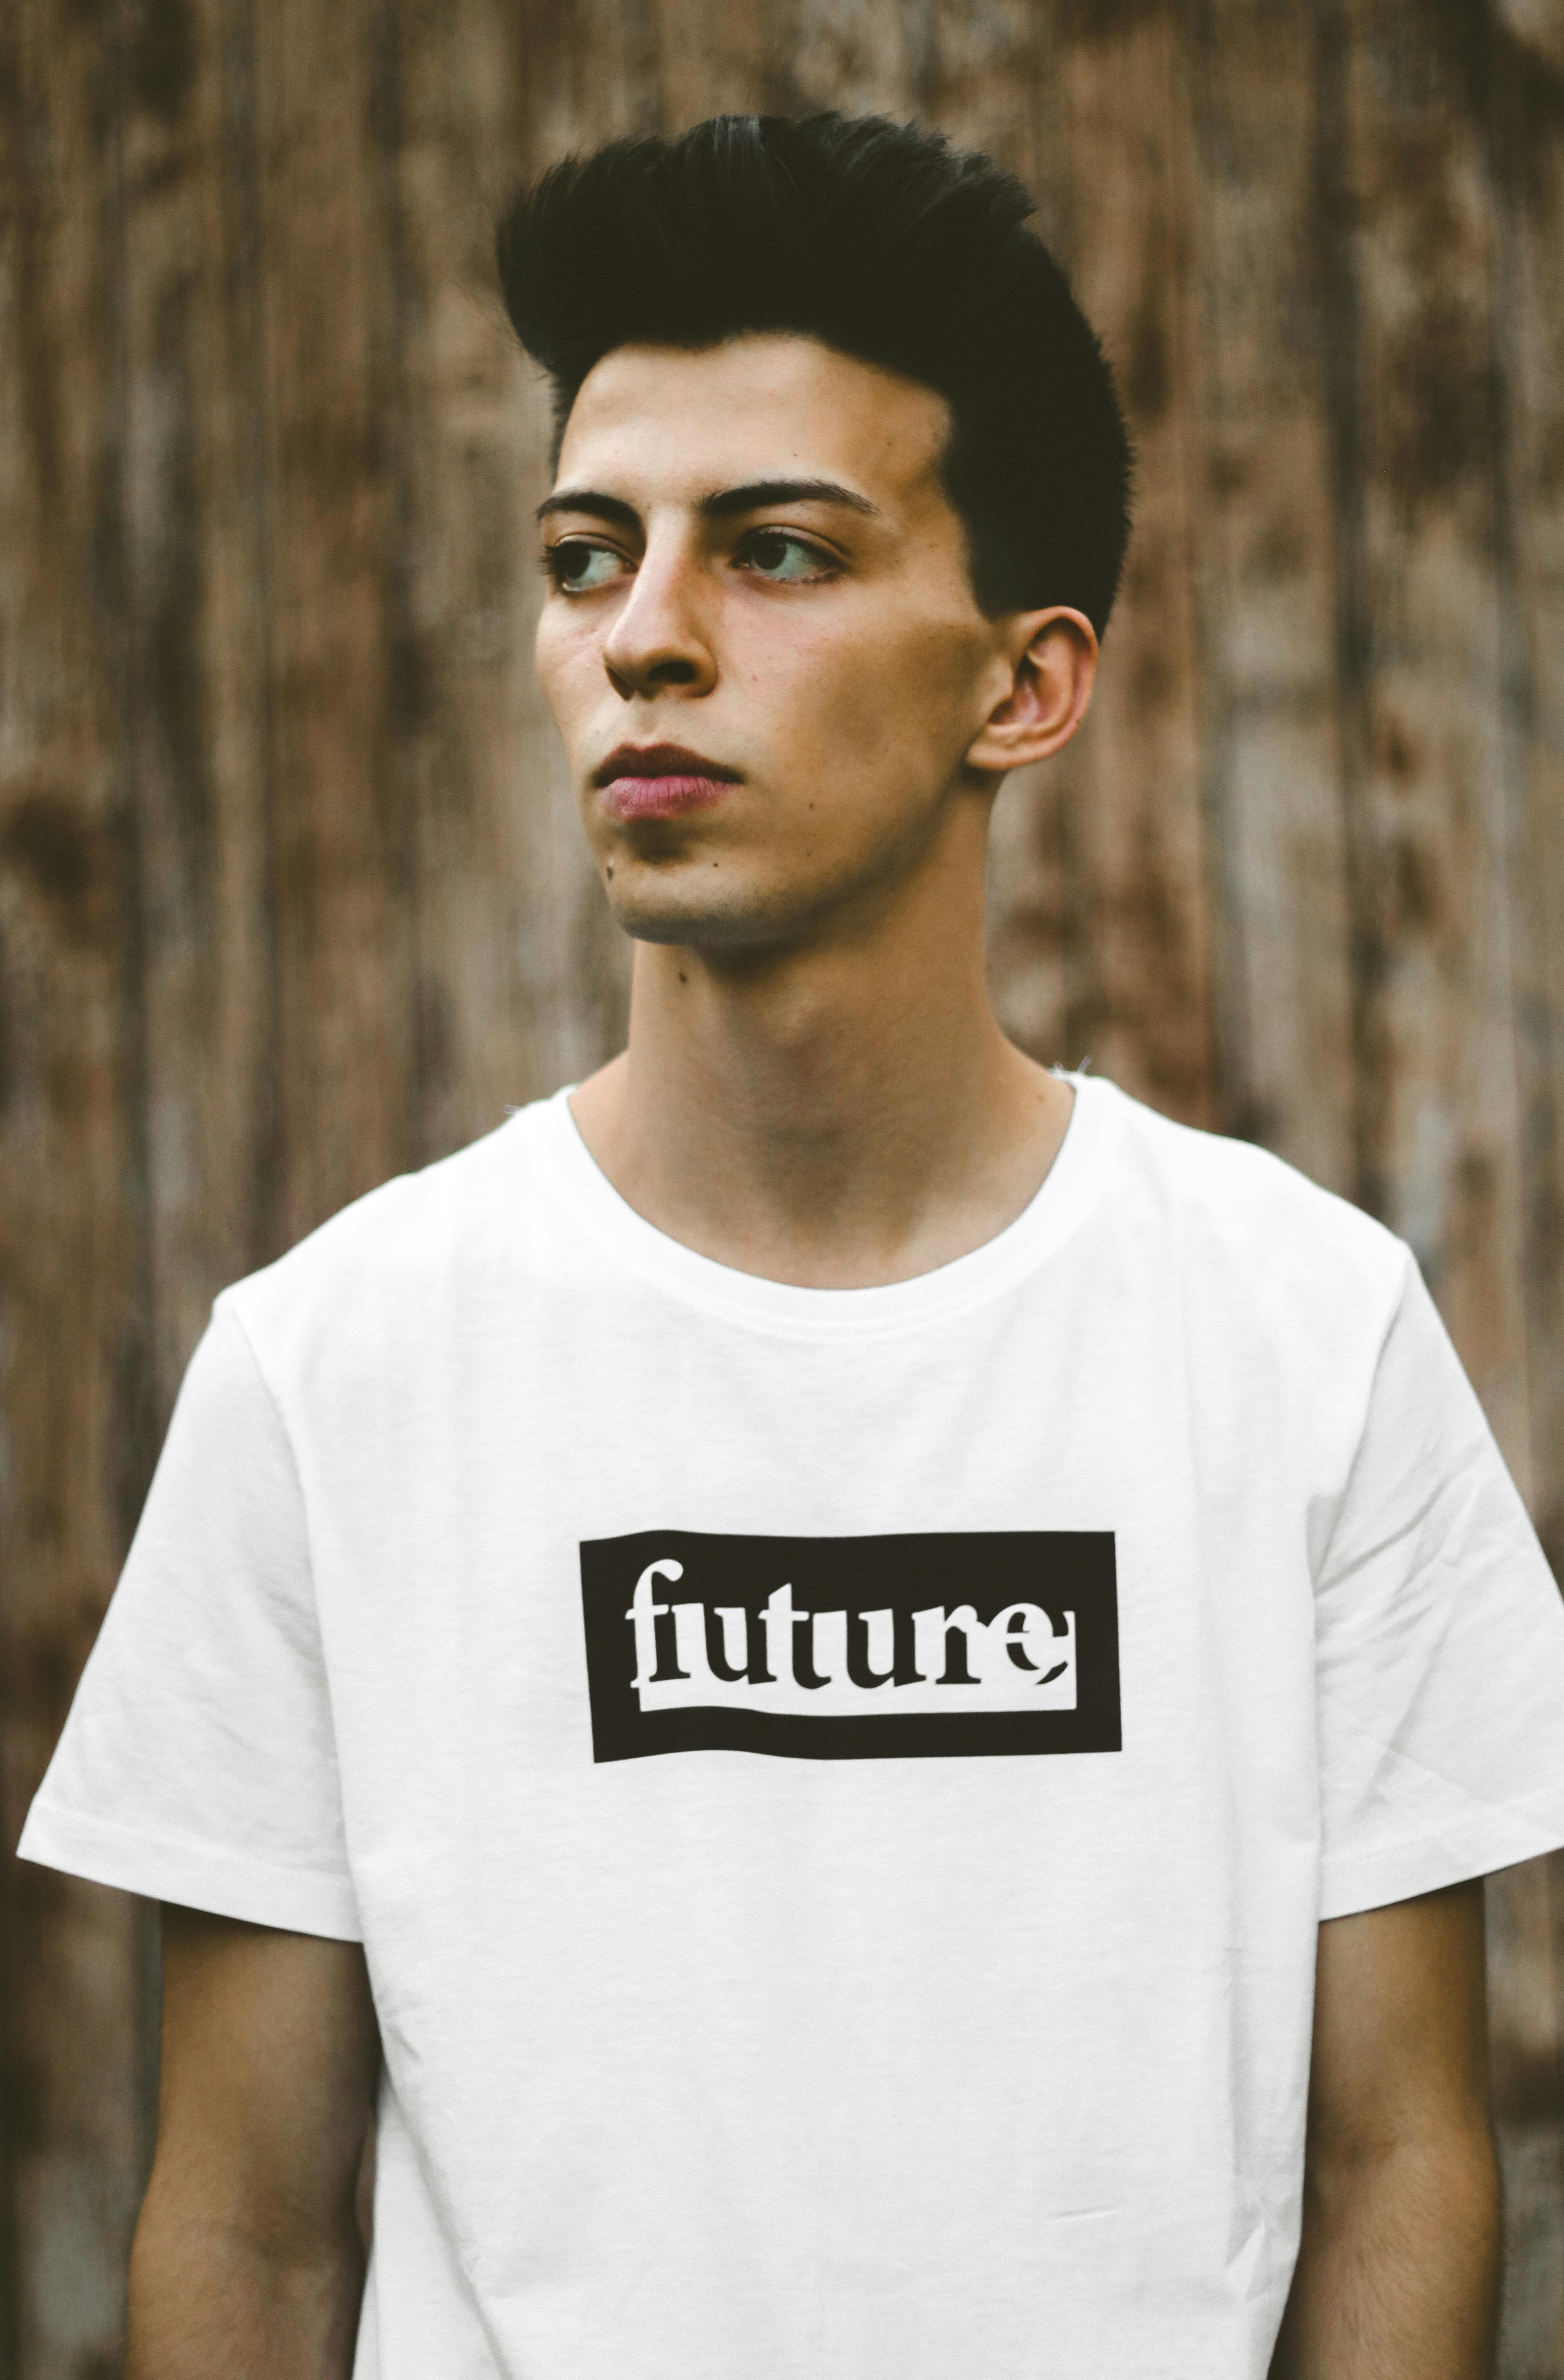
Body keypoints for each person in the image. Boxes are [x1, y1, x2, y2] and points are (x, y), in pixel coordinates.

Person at [19, 111, 1564, 2380]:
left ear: (1023, 685)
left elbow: (1402, 2166)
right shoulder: (330, 1370)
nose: (643, 640)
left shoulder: (1302, 1339)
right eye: (581, 556)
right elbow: (247, 2238)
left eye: (776, 553)